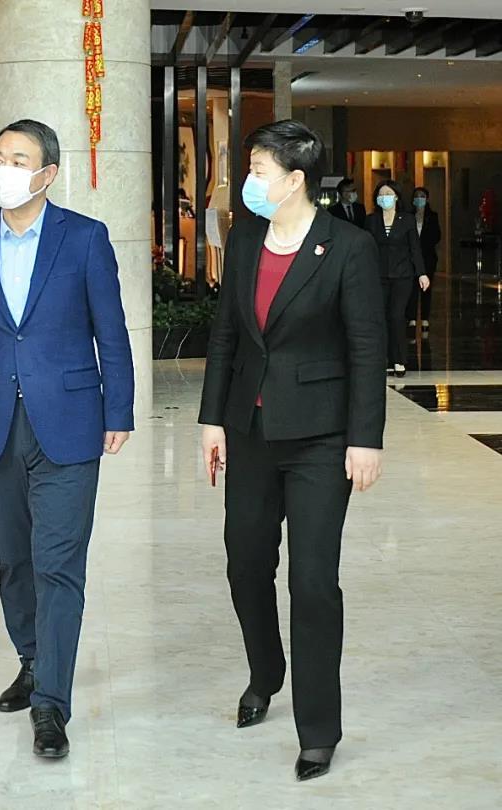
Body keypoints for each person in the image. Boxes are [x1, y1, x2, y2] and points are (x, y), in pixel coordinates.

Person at [0, 119, 134, 760]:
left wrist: (120, 410)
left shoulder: (85, 237)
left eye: (19, 159)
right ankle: (31, 658)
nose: (5, 168)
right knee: (15, 560)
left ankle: (51, 703)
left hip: (70, 420)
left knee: (58, 565)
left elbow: (112, 331)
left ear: (47, 173)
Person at [199, 120, 387, 782]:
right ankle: (265, 671)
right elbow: (226, 334)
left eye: (258, 170)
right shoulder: (247, 237)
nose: (249, 181)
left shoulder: (348, 247)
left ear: (295, 178)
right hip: (249, 431)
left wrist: (365, 438)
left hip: (320, 437)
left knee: (311, 582)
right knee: (246, 565)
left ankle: (319, 730)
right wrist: (212, 420)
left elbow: (367, 346)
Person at [367, 181, 429, 377]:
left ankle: (399, 360)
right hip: (378, 276)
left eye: (388, 193)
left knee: (396, 316)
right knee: (381, 318)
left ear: (396, 197)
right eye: (381, 194)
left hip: (402, 276)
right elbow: (366, 248)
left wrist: (421, 273)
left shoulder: (407, 219)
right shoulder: (371, 220)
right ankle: (383, 359)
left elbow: (415, 248)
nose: (384, 197)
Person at [406, 186, 442, 334]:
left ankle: (425, 318)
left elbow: (437, 236)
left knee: (426, 289)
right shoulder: (408, 216)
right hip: (411, 258)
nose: (419, 199)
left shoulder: (432, 216)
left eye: (422, 196)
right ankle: (411, 318)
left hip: (427, 257)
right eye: (417, 196)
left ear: (427, 199)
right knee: (412, 289)